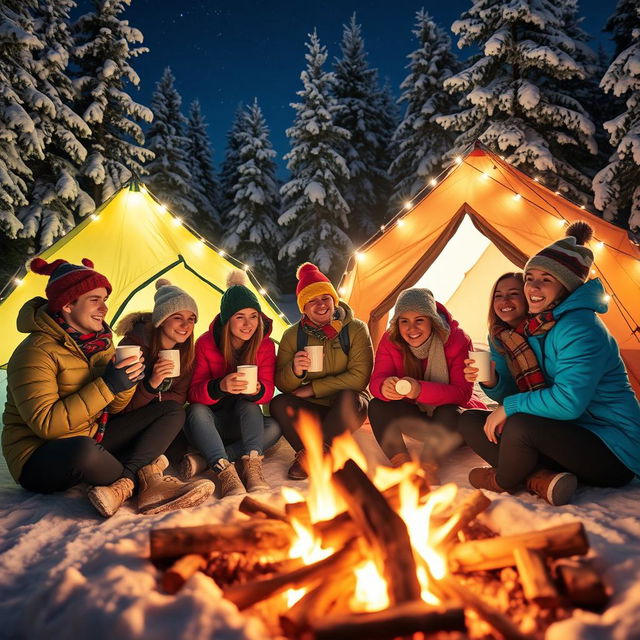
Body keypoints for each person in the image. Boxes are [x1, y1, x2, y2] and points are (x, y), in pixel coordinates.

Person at [2, 257, 214, 518]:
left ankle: (126, 484)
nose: (104, 308)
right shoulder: (35, 352)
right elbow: (47, 424)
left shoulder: (101, 344)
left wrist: (126, 383)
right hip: (40, 455)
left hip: (95, 433)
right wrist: (109, 384)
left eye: (104, 300)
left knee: (172, 411)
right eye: (95, 300)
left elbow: (116, 408)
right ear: (68, 304)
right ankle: (143, 475)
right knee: (86, 452)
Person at [460, 222, 640, 505]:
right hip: (570, 433)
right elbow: (526, 394)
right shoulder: (538, 327)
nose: (533, 286)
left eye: (546, 279)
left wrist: (510, 407)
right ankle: (539, 478)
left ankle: (505, 479)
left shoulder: (579, 328)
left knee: (519, 425)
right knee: (470, 419)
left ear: (565, 286)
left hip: (614, 450)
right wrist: (492, 381)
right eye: (530, 278)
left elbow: (568, 402)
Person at [368, 288, 485, 482]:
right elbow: (376, 381)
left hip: (450, 426)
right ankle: (402, 465)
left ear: (432, 320)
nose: (411, 329)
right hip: (418, 419)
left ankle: (428, 467)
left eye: (419, 320)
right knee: (377, 405)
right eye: (404, 321)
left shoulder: (457, 340)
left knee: (448, 411)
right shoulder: (391, 340)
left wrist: (418, 390)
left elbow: (462, 394)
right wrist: (384, 387)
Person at [270, 262, 374, 480]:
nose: (320, 305)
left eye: (325, 298)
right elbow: (282, 384)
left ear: (333, 300)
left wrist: (313, 389)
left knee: (349, 396)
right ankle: (309, 454)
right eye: (312, 300)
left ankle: (317, 454)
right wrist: (295, 370)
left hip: (349, 408)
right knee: (279, 403)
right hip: (315, 410)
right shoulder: (292, 335)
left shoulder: (355, 329)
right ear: (303, 307)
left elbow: (359, 378)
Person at [182, 271, 280, 496]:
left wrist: (258, 391)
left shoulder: (264, 345)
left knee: (271, 424)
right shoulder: (206, 343)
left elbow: (268, 391)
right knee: (196, 411)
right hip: (210, 423)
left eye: (253, 316)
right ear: (227, 320)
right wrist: (219, 386)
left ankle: (248, 465)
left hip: (241, 422)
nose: (248, 324)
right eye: (239, 317)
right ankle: (224, 470)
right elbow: (192, 393)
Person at [116, 278, 198, 410]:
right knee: (175, 414)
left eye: (191, 319)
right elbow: (120, 408)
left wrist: (155, 398)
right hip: (123, 419)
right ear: (162, 320)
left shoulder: (187, 353)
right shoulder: (133, 346)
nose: (185, 325)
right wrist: (151, 384)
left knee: (177, 413)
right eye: (177, 317)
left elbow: (180, 397)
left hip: (157, 415)